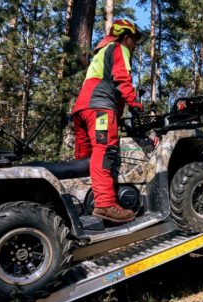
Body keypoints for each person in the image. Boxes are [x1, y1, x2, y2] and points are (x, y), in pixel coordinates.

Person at [71, 19, 143, 223]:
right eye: (134, 40)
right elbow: (122, 79)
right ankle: (104, 205)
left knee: (84, 159)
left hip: (82, 110)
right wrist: (136, 105)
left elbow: (108, 85)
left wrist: (119, 114)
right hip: (99, 110)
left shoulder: (101, 53)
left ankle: (80, 203)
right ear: (126, 36)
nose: (135, 45)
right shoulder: (119, 48)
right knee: (104, 152)